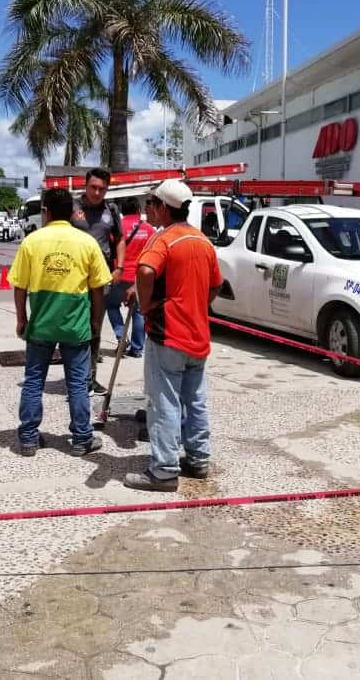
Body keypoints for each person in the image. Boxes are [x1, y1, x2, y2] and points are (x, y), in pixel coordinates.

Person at [124, 179, 223, 492]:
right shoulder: (203, 242)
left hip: (168, 335)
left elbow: (145, 271)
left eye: (152, 204)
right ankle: (198, 459)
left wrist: (147, 304)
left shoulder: (163, 239)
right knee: (195, 401)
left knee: (164, 402)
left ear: (164, 208)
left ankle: (164, 470)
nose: (149, 209)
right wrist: (195, 304)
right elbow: (217, 285)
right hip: (198, 336)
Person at [9, 188, 112, 457]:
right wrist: (96, 322)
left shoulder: (32, 242)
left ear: (46, 212)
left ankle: (29, 438)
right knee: (78, 383)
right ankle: (81, 439)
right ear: (72, 213)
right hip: (75, 326)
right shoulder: (86, 242)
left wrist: (22, 319)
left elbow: (19, 286)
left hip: (41, 325)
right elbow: (99, 288)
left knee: (33, 381)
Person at [70, 167, 124, 395]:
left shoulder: (111, 210)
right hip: (74, 279)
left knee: (95, 328)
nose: (97, 192)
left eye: (102, 188)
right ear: (85, 185)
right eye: (93, 187)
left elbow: (120, 239)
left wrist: (119, 267)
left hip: (101, 280)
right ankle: (75, 378)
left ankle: (89, 378)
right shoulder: (72, 208)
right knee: (73, 328)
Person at [107, 197, 155, 358]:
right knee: (138, 312)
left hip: (119, 275)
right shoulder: (149, 230)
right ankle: (137, 348)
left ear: (122, 211)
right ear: (138, 210)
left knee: (112, 305)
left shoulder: (118, 228)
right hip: (139, 278)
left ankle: (121, 336)